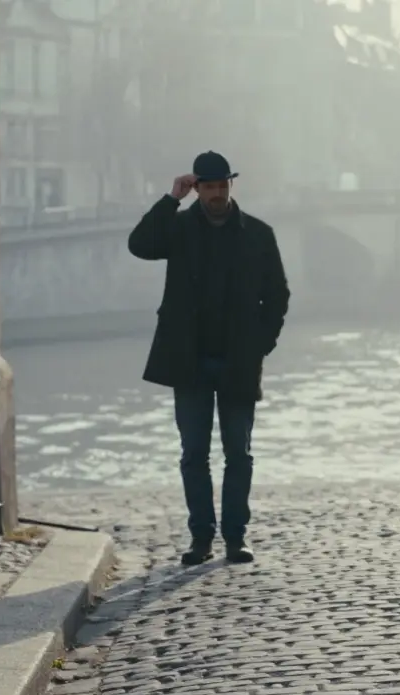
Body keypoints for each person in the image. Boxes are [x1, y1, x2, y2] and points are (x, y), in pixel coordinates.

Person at [128, 151, 291, 566]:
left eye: (223, 186)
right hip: (190, 359)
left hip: (239, 358)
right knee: (193, 453)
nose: (218, 193)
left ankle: (236, 537)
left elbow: (278, 294)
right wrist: (170, 199)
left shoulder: (257, 233)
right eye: (209, 186)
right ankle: (201, 539)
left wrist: (261, 344)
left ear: (230, 186)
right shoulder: (178, 228)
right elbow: (140, 245)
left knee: (239, 453)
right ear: (197, 188)